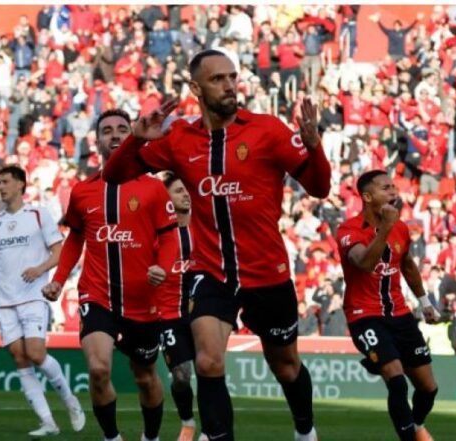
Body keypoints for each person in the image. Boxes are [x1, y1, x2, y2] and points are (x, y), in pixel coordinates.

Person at [102, 49, 331, 441]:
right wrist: (135, 140)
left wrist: (314, 148)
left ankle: (305, 430)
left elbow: (320, 188)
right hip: (210, 271)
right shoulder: (178, 138)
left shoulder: (267, 130)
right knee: (207, 361)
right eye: (217, 79)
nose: (228, 85)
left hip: (266, 271)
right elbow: (114, 175)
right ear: (196, 88)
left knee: (286, 365)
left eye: (232, 77)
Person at [41, 109, 179, 441]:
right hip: (97, 295)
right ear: (97, 141)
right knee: (99, 369)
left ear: (132, 135)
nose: (115, 135)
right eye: (107, 130)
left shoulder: (153, 188)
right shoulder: (82, 191)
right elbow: (75, 238)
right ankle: (112, 438)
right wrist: (59, 279)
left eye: (121, 129)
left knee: (145, 376)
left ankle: (150, 437)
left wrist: (163, 267)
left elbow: (169, 236)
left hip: (142, 300)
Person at [336, 170, 439, 441]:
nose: (394, 191)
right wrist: (384, 229)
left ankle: (416, 426)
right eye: (385, 188)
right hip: (364, 315)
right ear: (368, 197)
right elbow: (365, 263)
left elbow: (407, 265)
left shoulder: (401, 228)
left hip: (400, 314)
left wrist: (425, 302)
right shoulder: (348, 230)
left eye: (393, 186)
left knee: (429, 389)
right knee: (396, 379)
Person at [0, 165, 85, 437]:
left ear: (20, 184)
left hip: (32, 296)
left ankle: (70, 402)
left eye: (5, 182)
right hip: (5, 299)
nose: (1, 187)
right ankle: (48, 422)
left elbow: (59, 252)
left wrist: (39, 270)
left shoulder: (39, 214)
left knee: (36, 353)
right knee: (19, 357)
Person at [159, 172, 202, 441]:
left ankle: (211, 429)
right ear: (167, 199)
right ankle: (187, 422)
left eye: (187, 190)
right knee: (181, 376)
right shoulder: (159, 234)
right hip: (169, 315)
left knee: (207, 371)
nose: (185, 194)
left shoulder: (204, 229)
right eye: (178, 191)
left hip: (202, 313)